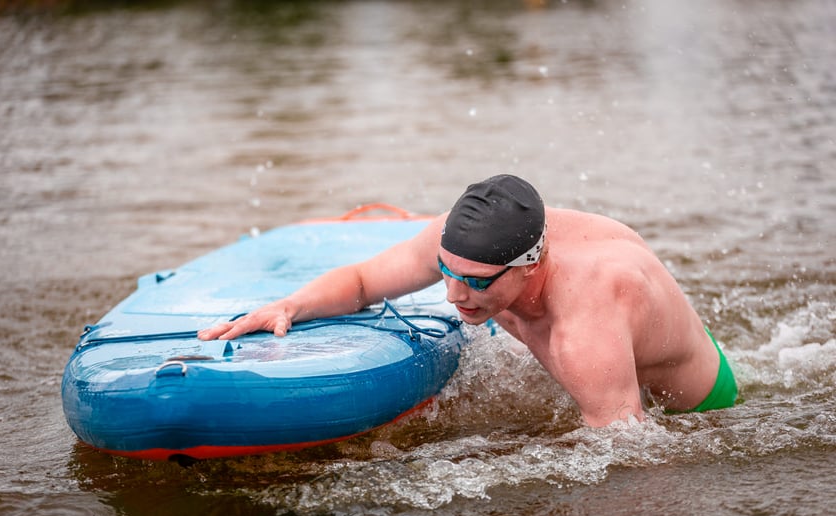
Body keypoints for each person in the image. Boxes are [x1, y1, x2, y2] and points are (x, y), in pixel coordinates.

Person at [198, 174, 738, 427]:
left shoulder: (585, 327)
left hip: (697, 402)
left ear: (532, 263)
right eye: (446, 273)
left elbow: (627, 459)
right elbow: (364, 281)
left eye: (478, 283)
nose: (457, 295)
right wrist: (291, 306)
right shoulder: (463, 241)